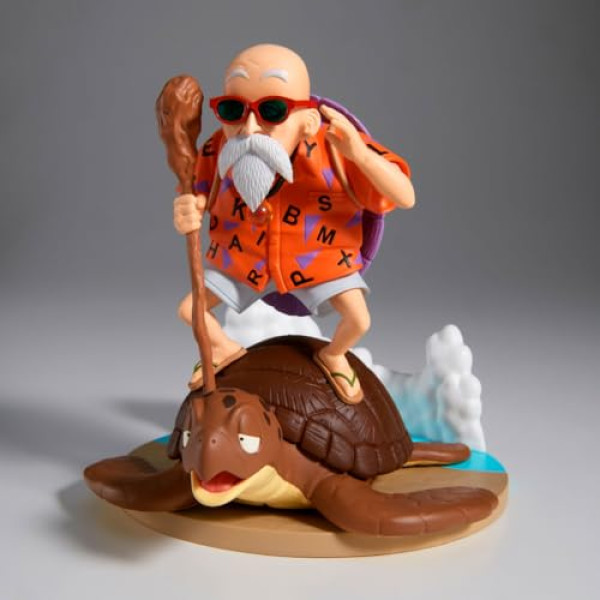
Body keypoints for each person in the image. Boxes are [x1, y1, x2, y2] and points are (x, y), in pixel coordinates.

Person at [174, 43, 414, 404]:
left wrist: (359, 154)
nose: (250, 128)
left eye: (272, 111)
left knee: (359, 321)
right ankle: (223, 348)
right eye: (233, 110)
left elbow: (405, 196)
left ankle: (333, 356)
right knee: (189, 310)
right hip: (241, 259)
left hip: (318, 259)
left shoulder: (336, 147)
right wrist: (189, 209)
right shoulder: (219, 148)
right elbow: (200, 193)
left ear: (307, 120)